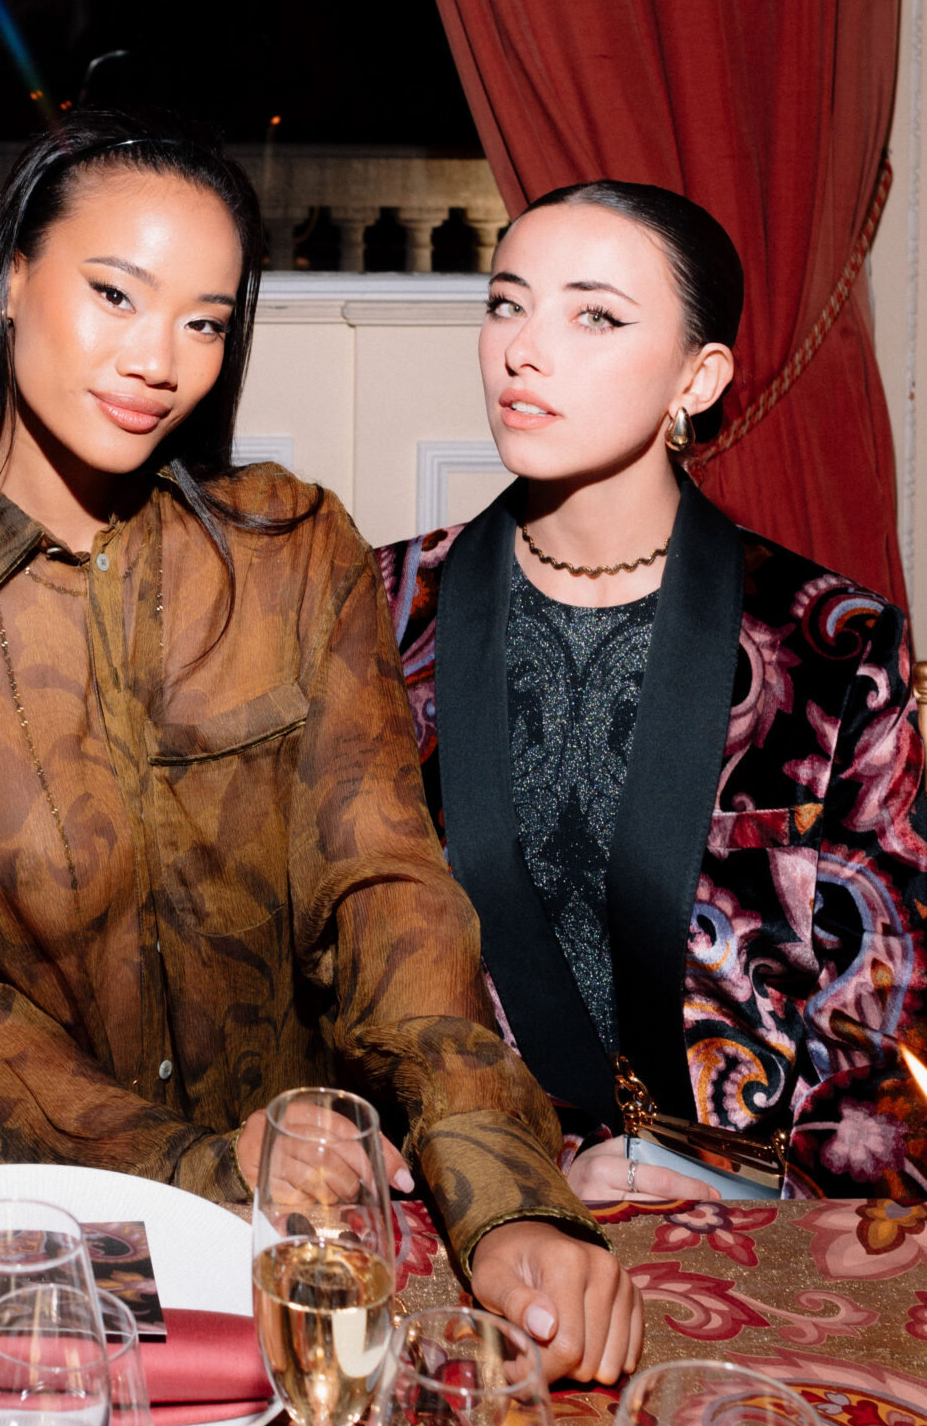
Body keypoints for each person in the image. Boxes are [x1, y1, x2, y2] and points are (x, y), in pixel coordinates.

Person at [0, 114, 641, 1384]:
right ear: (11, 278)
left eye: (204, 321)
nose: (159, 360)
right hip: (23, 1259)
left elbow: (388, 895)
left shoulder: (294, 556)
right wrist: (198, 1167)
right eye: (115, 294)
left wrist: (504, 1195)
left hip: (304, 1247)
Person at [374, 179, 927, 1215]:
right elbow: (316, 944)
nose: (523, 349)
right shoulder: (382, 609)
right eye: (506, 303)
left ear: (697, 377)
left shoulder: (831, 643)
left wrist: (734, 1184)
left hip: (741, 1220)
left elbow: (883, 1024)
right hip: (450, 1196)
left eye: (594, 315)